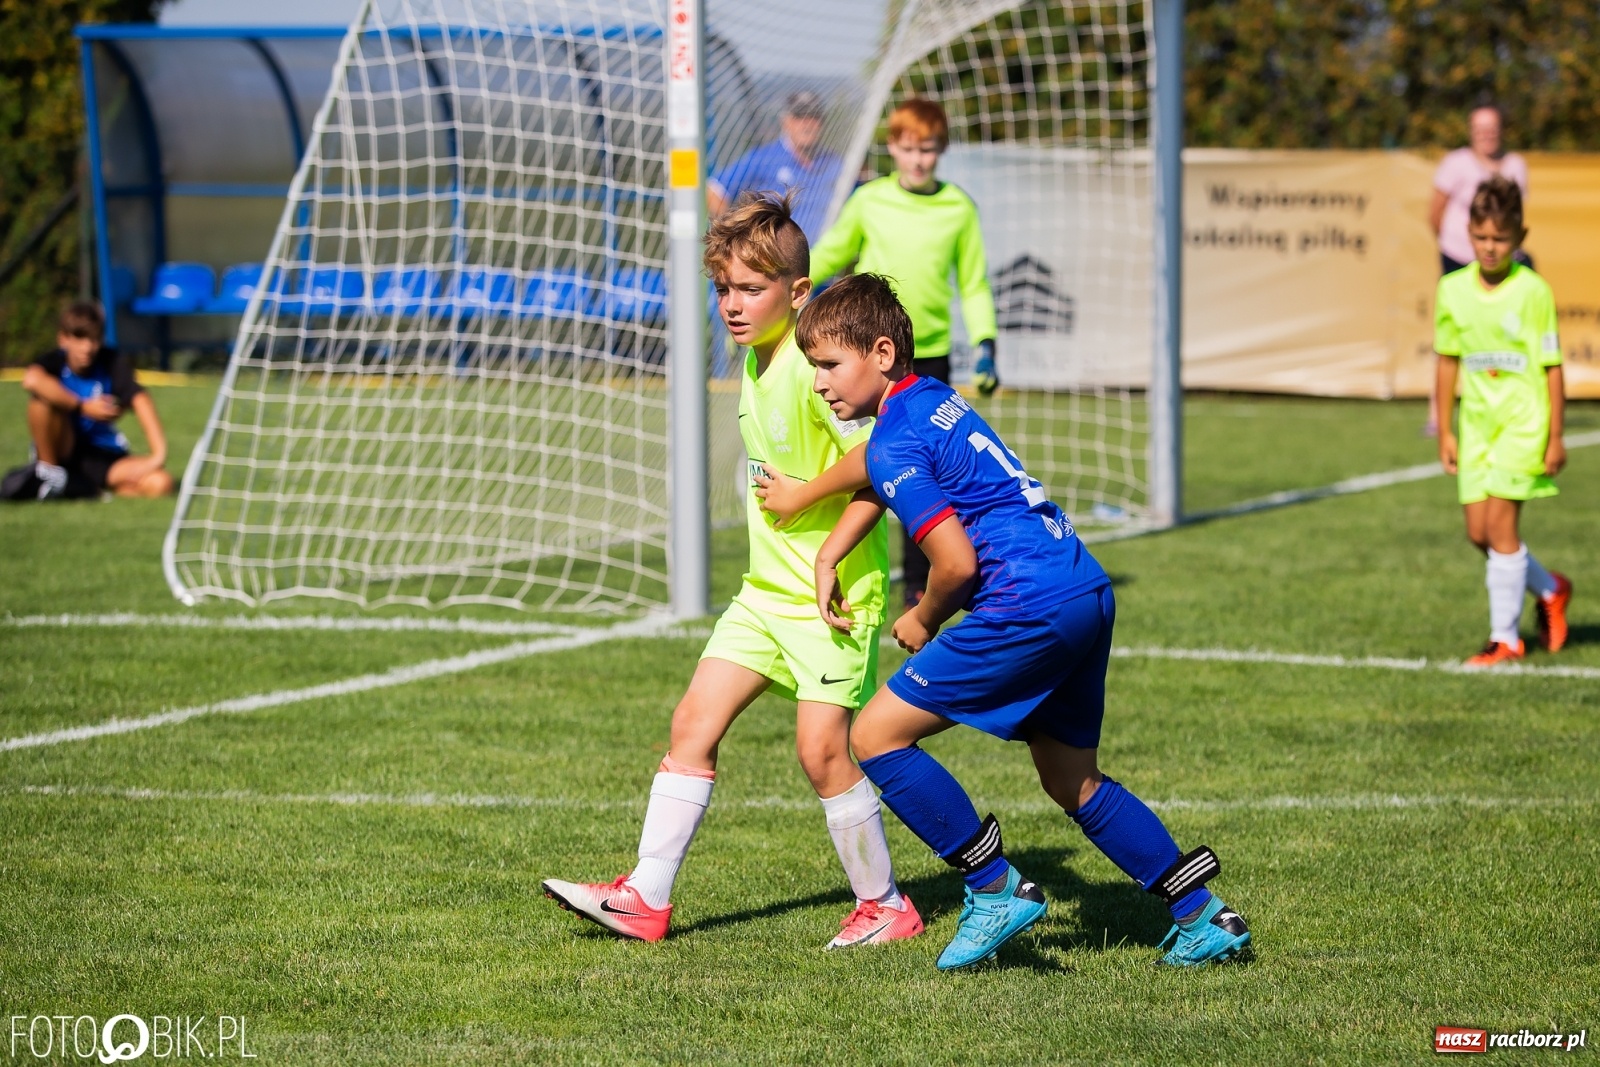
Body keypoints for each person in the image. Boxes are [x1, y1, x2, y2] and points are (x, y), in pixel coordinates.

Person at [800, 273, 1251, 971]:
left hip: (1026, 603)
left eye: (829, 364)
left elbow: (954, 564)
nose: (819, 382)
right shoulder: (934, 399)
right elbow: (879, 465)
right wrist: (832, 548)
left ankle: (992, 889)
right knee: (1071, 777)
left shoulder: (893, 442)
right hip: (1083, 586)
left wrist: (922, 617)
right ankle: (1201, 914)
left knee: (875, 734)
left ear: (882, 353)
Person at [541, 194, 923, 949]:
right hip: (764, 594)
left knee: (821, 752)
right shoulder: (755, 360)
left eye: (751, 288)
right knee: (693, 722)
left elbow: (881, 464)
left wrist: (809, 509)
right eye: (723, 288)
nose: (733, 304)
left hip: (834, 597)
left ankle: (885, 905)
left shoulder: (816, 370)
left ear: (798, 291)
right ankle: (645, 898)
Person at [809, 98, 998, 608]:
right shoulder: (870, 200)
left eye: (929, 150)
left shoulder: (958, 208)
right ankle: (841, 561)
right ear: (892, 147)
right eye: (910, 149)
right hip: (865, 362)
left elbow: (974, 283)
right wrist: (793, 289)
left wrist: (986, 342)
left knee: (922, 475)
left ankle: (922, 584)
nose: (918, 160)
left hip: (925, 361)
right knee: (864, 463)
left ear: (942, 150)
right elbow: (831, 252)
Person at [1435, 177, 1570, 667]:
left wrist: (1555, 436)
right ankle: (1551, 589)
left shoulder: (1533, 292)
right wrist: (1445, 429)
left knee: (1500, 528)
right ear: (1468, 234)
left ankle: (1505, 639)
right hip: (1476, 427)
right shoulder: (1452, 290)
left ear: (1519, 236)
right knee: (1480, 534)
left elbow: (1552, 367)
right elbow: (1446, 361)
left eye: (1500, 238)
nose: (1490, 247)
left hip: (1523, 424)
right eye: (1481, 237)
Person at [1426, 102, 1530, 436]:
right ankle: (1438, 414)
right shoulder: (1455, 163)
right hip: (1457, 259)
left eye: (1492, 128)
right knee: (1452, 337)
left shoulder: (1515, 165)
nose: (1486, 135)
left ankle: (1511, 407)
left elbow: (1517, 214)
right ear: (1471, 132)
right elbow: (1435, 211)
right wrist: (1456, 245)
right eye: (1480, 129)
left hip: (1504, 267)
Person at [14, 301, 173, 500]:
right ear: (63, 339)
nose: (87, 347)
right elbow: (32, 380)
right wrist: (82, 407)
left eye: (94, 339)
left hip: (103, 455)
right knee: (40, 401)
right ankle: (49, 472)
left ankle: (91, 490)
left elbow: (140, 399)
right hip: (64, 448)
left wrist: (158, 456)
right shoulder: (55, 362)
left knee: (160, 483)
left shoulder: (110, 362)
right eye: (79, 338)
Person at [707, 90, 844, 246]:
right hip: (775, 258)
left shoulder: (835, 164)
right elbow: (714, 191)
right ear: (786, 121)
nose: (807, 124)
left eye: (813, 116)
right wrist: (738, 240)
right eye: (799, 116)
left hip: (824, 257)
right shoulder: (765, 158)